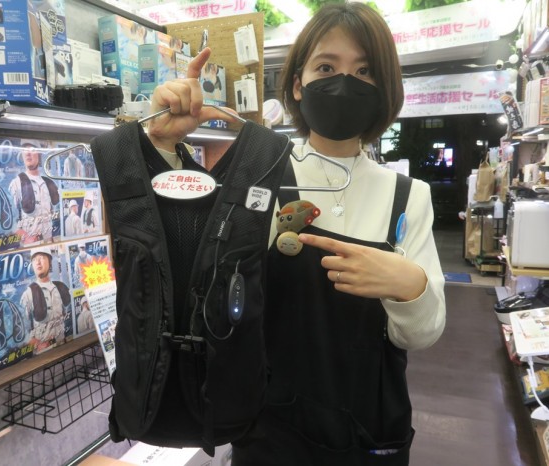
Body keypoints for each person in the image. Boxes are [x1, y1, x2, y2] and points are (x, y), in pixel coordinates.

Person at [147, 3, 445, 464]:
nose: (344, 83)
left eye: (365, 71)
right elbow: (184, 269)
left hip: (370, 429)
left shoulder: (410, 196)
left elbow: (421, 334)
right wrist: (163, 146)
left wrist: (412, 287)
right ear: (297, 84)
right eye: (326, 67)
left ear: (384, 88)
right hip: (270, 427)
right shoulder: (258, 177)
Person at [8, 140, 60, 245]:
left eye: (32, 149)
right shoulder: (16, 184)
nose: (28, 153)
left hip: (49, 243)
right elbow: (9, 223)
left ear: (39, 154)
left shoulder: (49, 183)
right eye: (24, 150)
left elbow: (54, 214)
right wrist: (26, 237)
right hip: (29, 246)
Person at [20, 247, 70, 353]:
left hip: (62, 345)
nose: (38, 262)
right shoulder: (28, 294)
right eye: (34, 259)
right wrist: (34, 343)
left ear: (50, 262)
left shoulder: (60, 288)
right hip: (42, 352)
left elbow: (65, 315)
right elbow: (22, 329)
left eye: (41, 258)